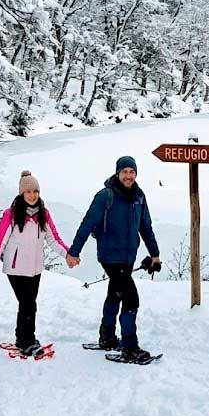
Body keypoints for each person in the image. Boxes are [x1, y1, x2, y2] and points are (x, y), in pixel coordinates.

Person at [67, 155, 161, 362]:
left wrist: (155, 254)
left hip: (128, 256)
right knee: (130, 298)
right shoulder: (105, 196)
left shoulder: (139, 197)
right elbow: (87, 224)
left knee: (115, 294)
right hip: (110, 256)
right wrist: (74, 252)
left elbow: (145, 226)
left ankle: (107, 338)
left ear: (136, 174)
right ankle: (130, 347)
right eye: (124, 172)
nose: (128, 176)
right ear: (118, 173)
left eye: (132, 172)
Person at [0, 170, 72, 357]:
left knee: (27, 304)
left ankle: (22, 337)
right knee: (28, 304)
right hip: (15, 267)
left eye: (36, 191)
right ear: (21, 193)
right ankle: (27, 341)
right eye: (28, 192)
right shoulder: (12, 214)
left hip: (35, 268)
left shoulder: (44, 214)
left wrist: (68, 255)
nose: (32, 195)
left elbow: (54, 239)